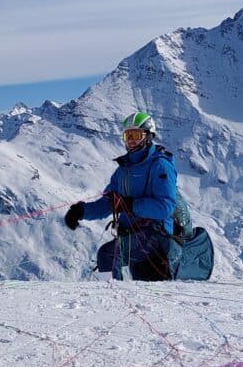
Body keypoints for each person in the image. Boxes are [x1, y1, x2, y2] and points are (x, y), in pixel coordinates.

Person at [64, 111, 182, 281]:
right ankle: (115, 302)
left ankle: (111, 301)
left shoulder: (160, 166)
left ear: (148, 136)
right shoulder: (123, 170)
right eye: (127, 135)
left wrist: (130, 205)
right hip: (132, 234)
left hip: (156, 234)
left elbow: (165, 207)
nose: (131, 140)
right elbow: (109, 202)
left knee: (108, 255)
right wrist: (81, 211)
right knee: (147, 289)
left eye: (136, 135)